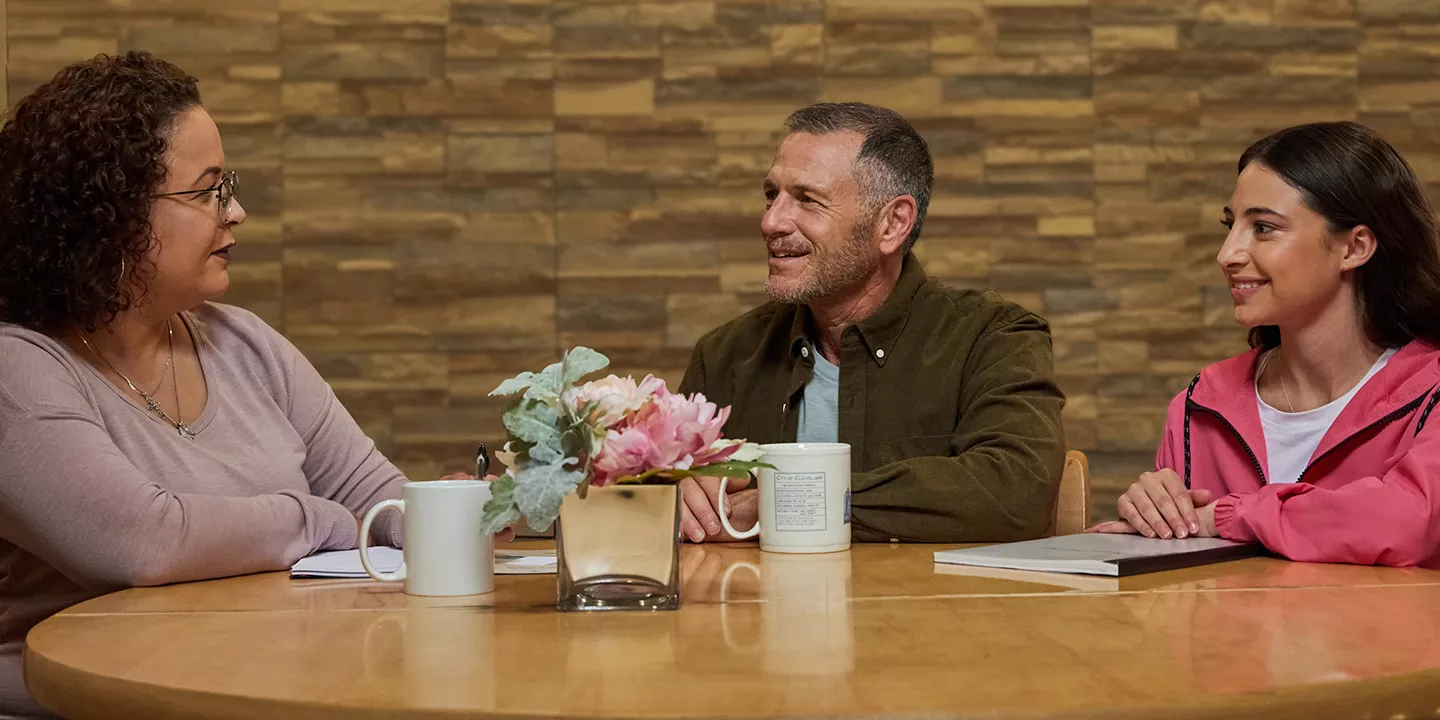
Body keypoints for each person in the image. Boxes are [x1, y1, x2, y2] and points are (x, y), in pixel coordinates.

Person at [0, 53, 491, 719]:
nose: (236, 213)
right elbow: (144, 542)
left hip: (265, 688)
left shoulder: (245, 343)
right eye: (206, 191)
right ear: (110, 214)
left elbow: (375, 498)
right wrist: (317, 521)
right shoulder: (18, 366)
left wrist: (455, 514)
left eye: (227, 186)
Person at [677, 102, 1067, 544]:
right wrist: (674, 494)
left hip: (929, 611)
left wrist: (785, 500)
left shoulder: (994, 337)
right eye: (772, 195)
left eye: (807, 199)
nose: (771, 221)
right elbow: (665, 495)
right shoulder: (723, 355)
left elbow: (1016, 492)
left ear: (892, 223)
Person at [1089, 121, 1440, 568]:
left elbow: (1408, 522)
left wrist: (1228, 514)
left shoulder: (1433, 393)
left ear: (1355, 247)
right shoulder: (1199, 407)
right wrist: (1154, 517)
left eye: (1264, 228)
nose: (1227, 254)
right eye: (1230, 224)